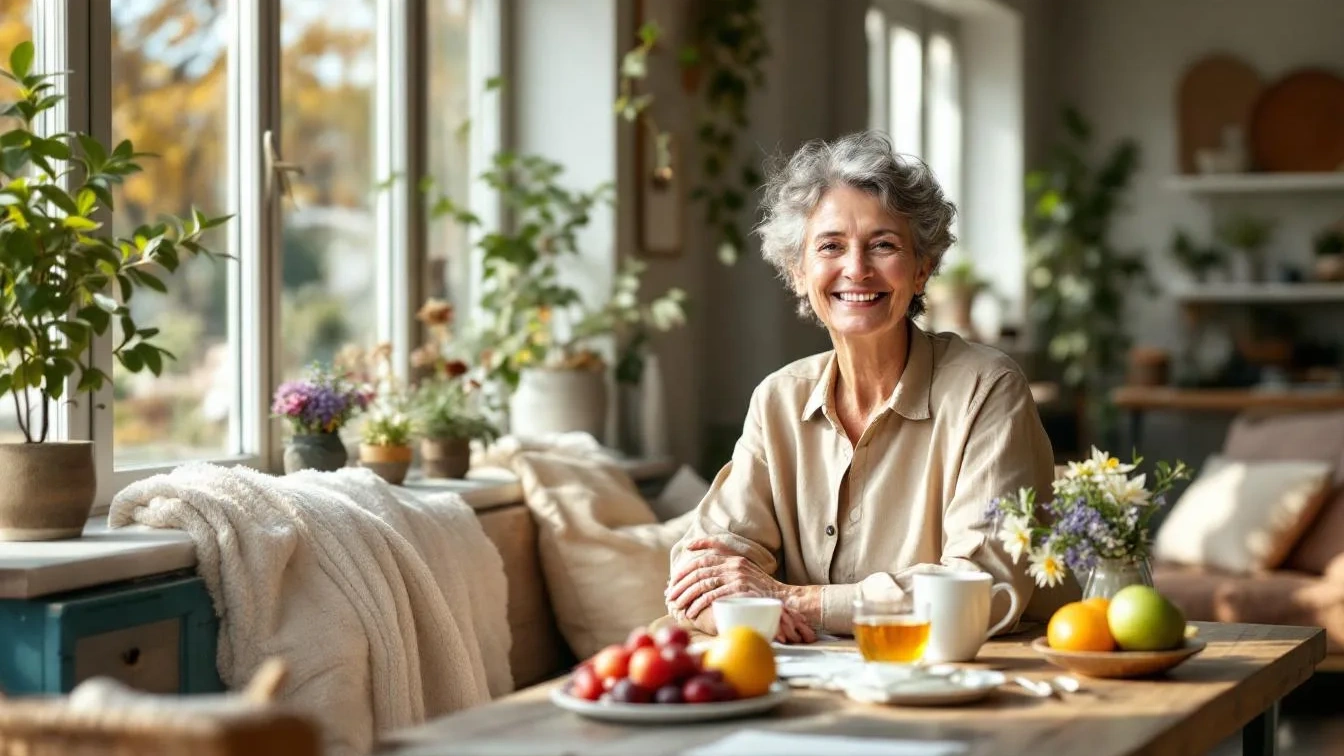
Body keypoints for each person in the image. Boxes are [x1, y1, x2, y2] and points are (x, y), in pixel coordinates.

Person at [665, 131, 1055, 643]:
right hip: (807, 687)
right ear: (797, 271)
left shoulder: (987, 388)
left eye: (884, 245)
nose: (856, 269)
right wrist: (735, 605)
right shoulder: (778, 399)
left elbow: (981, 588)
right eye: (830, 246)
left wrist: (790, 600)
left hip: (960, 684)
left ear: (923, 269)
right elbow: (704, 565)